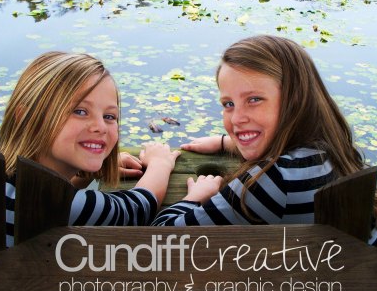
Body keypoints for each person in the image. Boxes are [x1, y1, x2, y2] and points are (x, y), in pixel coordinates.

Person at [0, 51, 179, 265]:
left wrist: (91, 170)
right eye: (80, 111)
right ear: (28, 118)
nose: (100, 127)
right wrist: (160, 164)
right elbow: (137, 208)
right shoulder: (58, 204)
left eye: (110, 116)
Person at [153, 35, 364, 227]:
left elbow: (163, 239)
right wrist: (227, 142)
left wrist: (195, 197)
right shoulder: (329, 149)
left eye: (254, 100)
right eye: (228, 104)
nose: (236, 118)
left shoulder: (275, 180)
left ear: (295, 100)